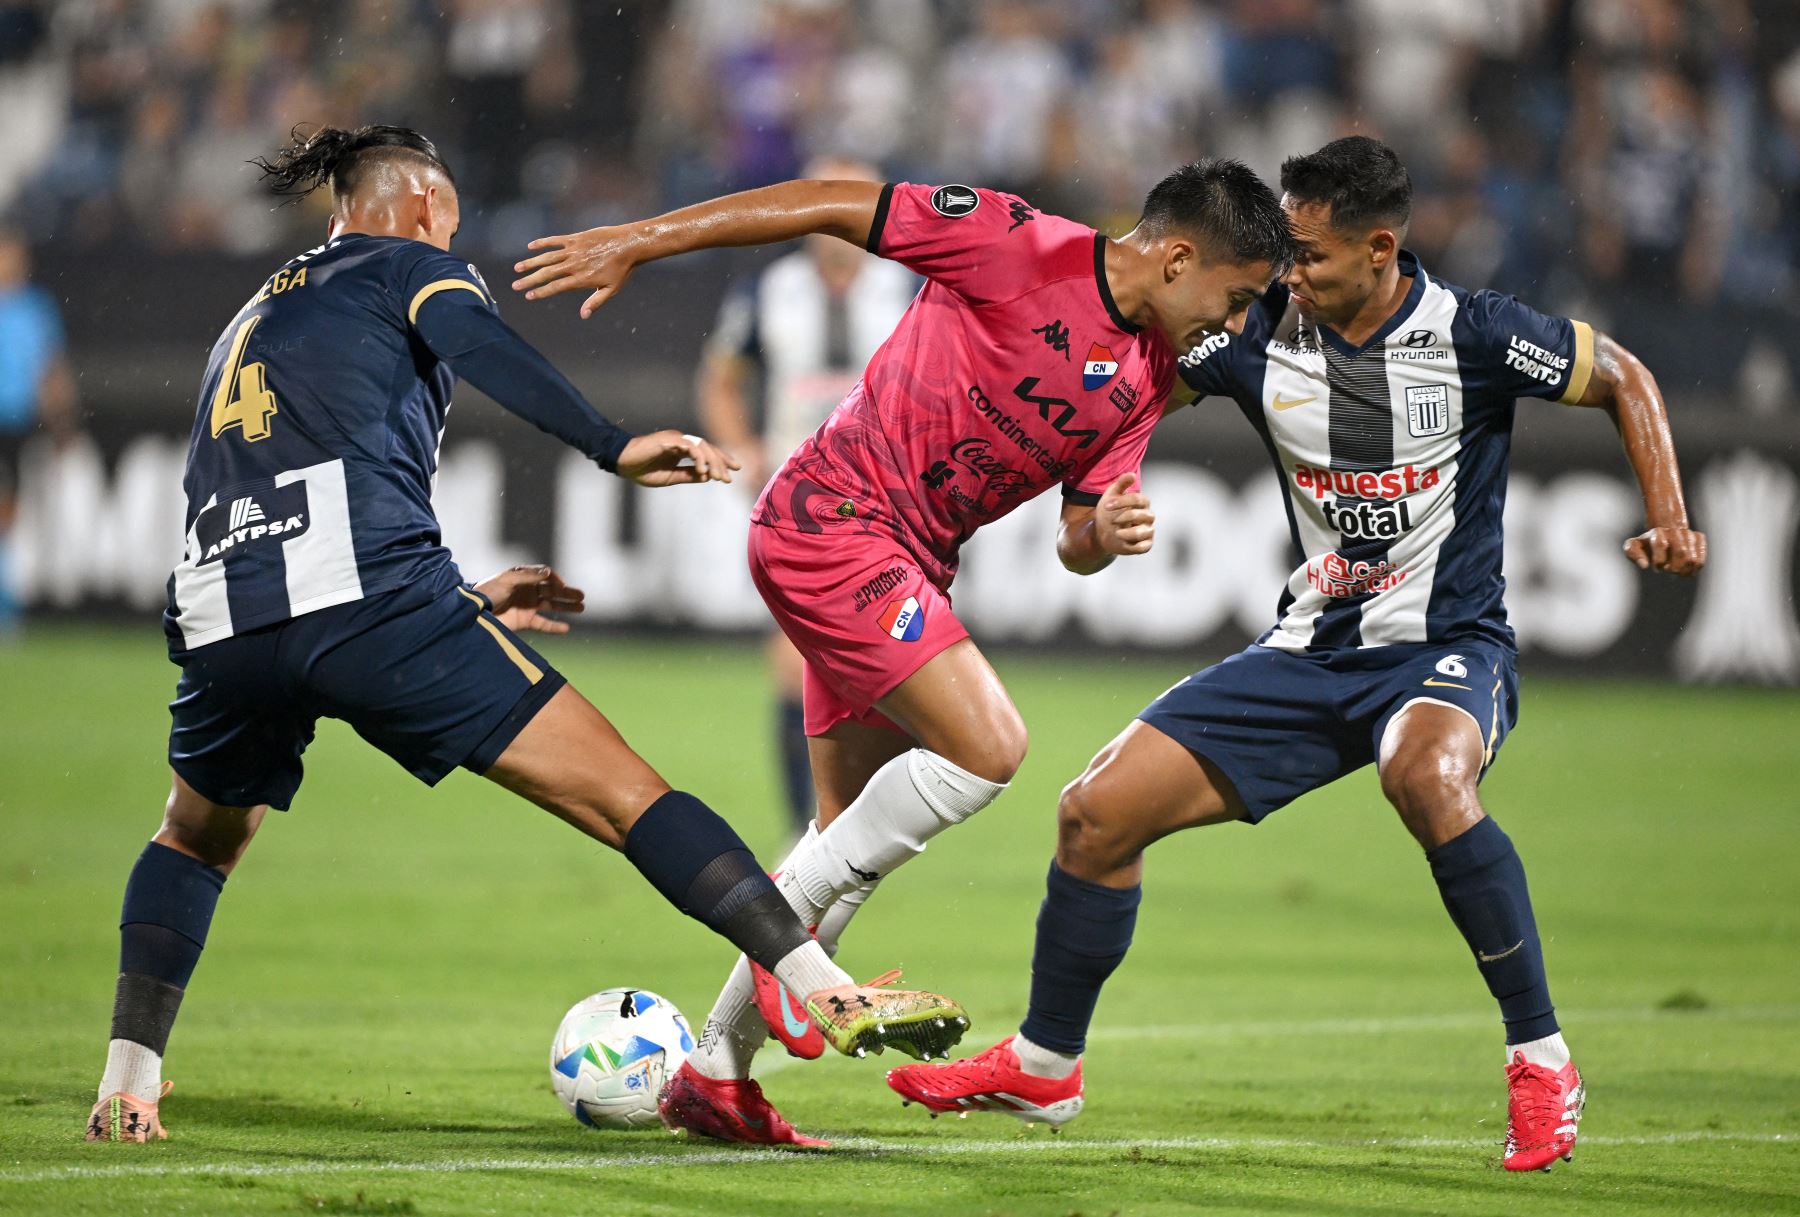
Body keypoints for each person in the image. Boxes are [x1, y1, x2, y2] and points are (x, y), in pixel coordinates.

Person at [84, 125, 964, 1145]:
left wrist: (463, 596)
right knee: (632, 796)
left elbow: (294, 474)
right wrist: (612, 443)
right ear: (423, 205)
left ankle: (129, 1082)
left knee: (194, 835)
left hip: (220, 608)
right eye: (449, 220)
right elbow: (480, 346)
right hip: (368, 601)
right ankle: (821, 982)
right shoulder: (412, 263)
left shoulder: (248, 313)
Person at [886, 136, 1707, 1174]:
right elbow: (1111, 430)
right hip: (1308, 648)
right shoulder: (1249, 334)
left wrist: (1670, 517)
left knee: (1425, 770)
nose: (1288, 275)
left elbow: (1626, 377)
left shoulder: (1479, 334)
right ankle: (1047, 1062)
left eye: (1309, 254)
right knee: (1093, 812)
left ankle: (1541, 1061)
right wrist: (1090, 526)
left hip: (1445, 647)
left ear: (1379, 247)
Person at [514, 160, 1295, 1144]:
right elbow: (834, 201)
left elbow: (1078, 536)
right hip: (830, 520)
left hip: (910, 562)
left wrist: (1110, 532)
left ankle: (715, 1069)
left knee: (844, 843)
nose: (1231, 321)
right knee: (992, 745)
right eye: (1234, 296)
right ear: (1179, 257)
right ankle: (800, 964)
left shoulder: (1143, 378)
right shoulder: (1017, 243)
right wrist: (644, 236)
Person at [696, 156, 919, 837]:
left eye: (853, 197)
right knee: (793, 664)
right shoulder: (769, 290)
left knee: (900, 668)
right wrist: (743, 452)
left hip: (892, 505)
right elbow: (720, 378)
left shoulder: (909, 287)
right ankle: (810, 827)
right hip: (802, 502)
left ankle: (873, 816)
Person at [0, 223, 79, 629]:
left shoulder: (35, 308)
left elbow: (51, 370)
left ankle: (6, 597)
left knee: (10, 512)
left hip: (15, 422)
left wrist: (62, 424)